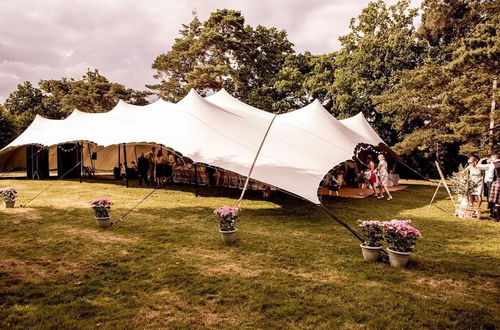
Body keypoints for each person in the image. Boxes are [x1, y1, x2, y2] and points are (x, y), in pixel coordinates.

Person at [488, 153, 500, 222]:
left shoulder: (493, 164)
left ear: (494, 158)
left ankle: (497, 218)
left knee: (497, 201)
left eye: (492, 158)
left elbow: (490, 176)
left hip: (497, 183)